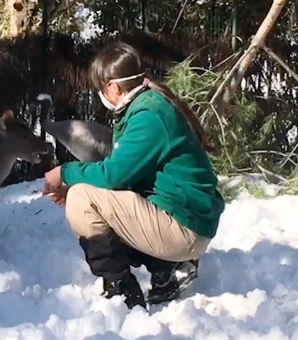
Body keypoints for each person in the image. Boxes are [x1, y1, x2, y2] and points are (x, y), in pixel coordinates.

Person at [43, 41, 225, 310]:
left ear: (113, 87)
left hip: (186, 228)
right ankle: (166, 271)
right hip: (186, 221)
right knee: (90, 197)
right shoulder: (148, 105)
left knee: (83, 198)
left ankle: (122, 292)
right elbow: (127, 178)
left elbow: (114, 175)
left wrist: (66, 172)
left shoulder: (148, 116)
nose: (99, 95)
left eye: (99, 89)